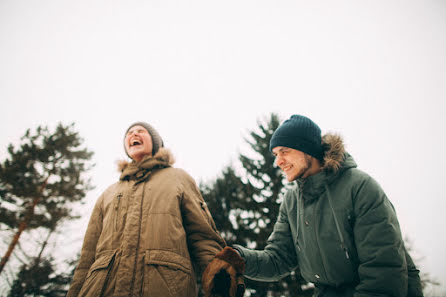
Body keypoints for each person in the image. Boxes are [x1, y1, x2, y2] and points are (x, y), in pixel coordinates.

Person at [203, 114, 423, 297]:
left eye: (284, 151)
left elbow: (383, 273)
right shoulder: (291, 201)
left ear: (307, 150)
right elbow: (278, 259)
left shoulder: (360, 188)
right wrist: (238, 258)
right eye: (275, 154)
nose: (277, 161)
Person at [67, 122, 226, 297]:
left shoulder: (178, 178)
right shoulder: (109, 193)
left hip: (164, 286)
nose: (134, 135)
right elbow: (87, 258)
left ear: (155, 143)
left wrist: (221, 276)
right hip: (102, 289)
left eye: (141, 131)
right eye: (129, 133)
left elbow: (202, 235)